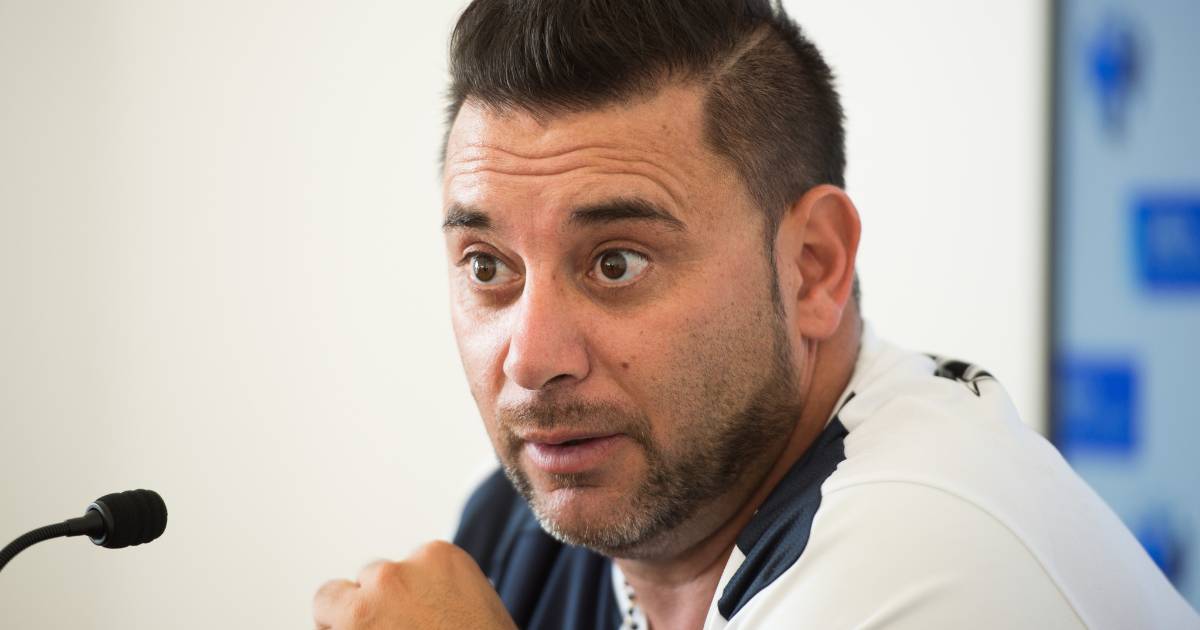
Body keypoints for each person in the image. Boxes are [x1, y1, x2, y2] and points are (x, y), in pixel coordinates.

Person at [313, 1, 1200, 628]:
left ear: (814, 267)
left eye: (616, 263)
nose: (531, 358)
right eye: (488, 267)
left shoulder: (925, 558)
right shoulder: (522, 529)